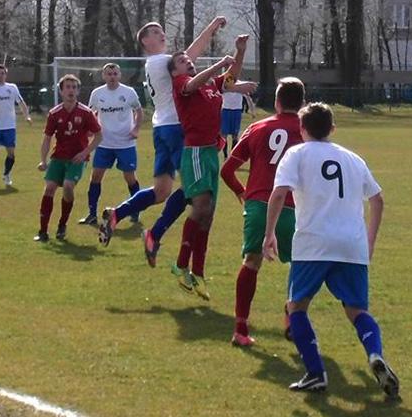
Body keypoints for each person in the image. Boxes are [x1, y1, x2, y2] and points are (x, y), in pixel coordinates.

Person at [264, 102, 399, 397]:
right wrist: (370, 242)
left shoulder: (296, 153)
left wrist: (269, 234)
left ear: (301, 129)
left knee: (296, 307)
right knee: (357, 310)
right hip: (352, 245)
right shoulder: (352, 158)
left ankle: (315, 373)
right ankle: (374, 354)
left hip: (313, 243)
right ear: (333, 129)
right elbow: (377, 200)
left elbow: (278, 193)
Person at [98, 16, 227, 262]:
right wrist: (211, 28)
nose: (161, 33)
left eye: (161, 30)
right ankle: (154, 235)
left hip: (161, 128)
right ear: (146, 42)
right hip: (176, 128)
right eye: (155, 32)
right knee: (193, 189)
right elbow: (190, 56)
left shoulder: (153, 63)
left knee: (160, 191)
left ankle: (117, 214)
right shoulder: (160, 61)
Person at [168, 36, 257, 300]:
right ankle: (181, 264)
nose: (188, 62)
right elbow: (196, 82)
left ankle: (198, 273)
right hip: (194, 152)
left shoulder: (209, 85)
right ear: (175, 72)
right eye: (183, 61)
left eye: (188, 59)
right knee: (201, 207)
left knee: (208, 216)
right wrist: (220, 63)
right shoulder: (182, 84)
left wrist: (239, 52)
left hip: (210, 153)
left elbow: (231, 78)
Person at [220, 77, 305, 347]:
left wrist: (242, 192)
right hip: (293, 207)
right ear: (302, 103)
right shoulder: (308, 129)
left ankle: (241, 330)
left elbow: (227, 171)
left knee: (251, 262)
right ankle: (292, 316)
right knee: (301, 263)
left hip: (258, 205)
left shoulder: (257, 127)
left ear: (277, 102)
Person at [35, 75, 102, 243]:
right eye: (67, 87)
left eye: (74, 87)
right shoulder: (54, 113)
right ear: (61, 91)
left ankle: (62, 225)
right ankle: (43, 231)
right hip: (58, 157)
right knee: (49, 188)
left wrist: (84, 152)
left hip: (77, 159)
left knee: (67, 186)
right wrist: (43, 160)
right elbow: (47, 138)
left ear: (78, 90)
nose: (71, 90)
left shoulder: (86, 113)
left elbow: (99, 136)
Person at [79, 63, 144, 226]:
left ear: (119, 75)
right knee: (95, 177)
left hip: (125, 143)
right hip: (104, 143)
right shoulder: (97, 93)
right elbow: (91, 113)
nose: (112, 76)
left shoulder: (128, 92)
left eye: (115, 73)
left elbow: (139, 111)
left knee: (130, 178)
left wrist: (136, 128)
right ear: (104, 76)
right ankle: (92, 214)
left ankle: (135, 211)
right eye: (109, 74)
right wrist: (90, 130)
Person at [220, 90, 244, 159]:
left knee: (235, 135)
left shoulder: (241, 86)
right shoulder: (224, 85)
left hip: (237, 111)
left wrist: (252, 110)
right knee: (224, 135)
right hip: (225, 111)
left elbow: (248, 97)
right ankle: (225, 156)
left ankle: (232, 156)